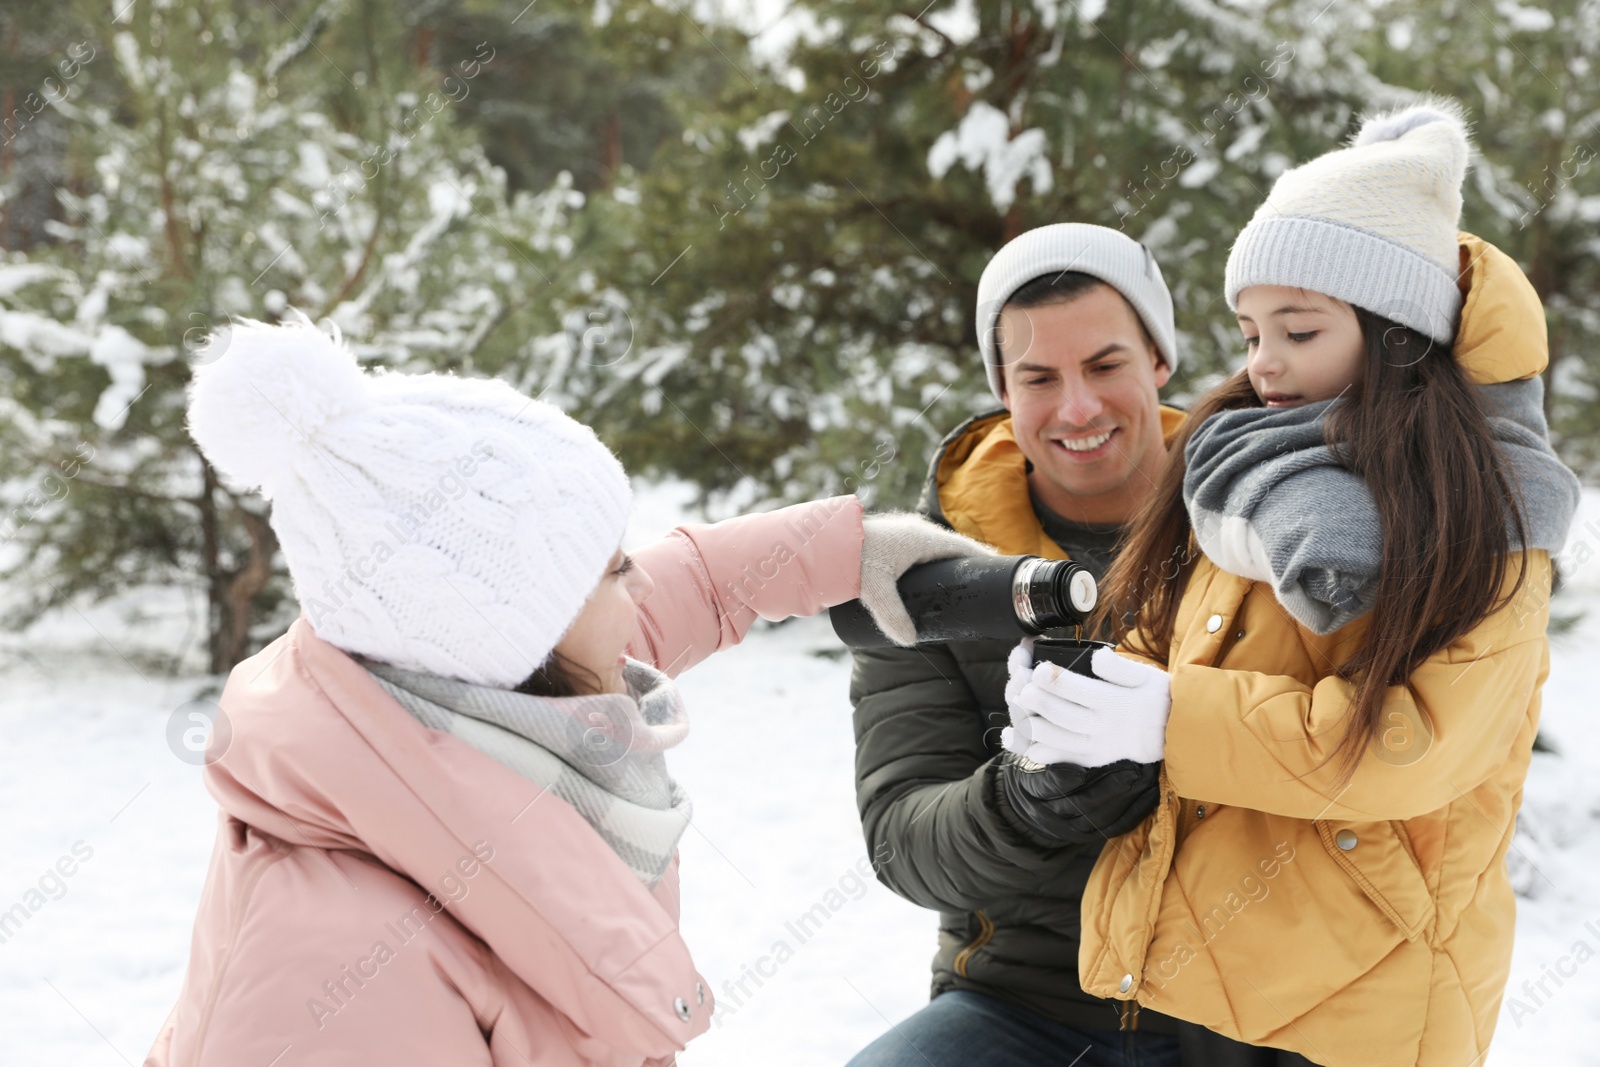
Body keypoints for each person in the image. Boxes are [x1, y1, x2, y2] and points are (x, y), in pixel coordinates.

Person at [142, 316, 987, 1066]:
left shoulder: (449, 708)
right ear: (515, 636)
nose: (644, 589)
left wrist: (848, 553)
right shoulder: (341, 964)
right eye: (616, 568)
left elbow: (692, 582)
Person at [1004, 102, 1582, 1065]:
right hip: (1214, 984)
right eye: (1248, 331)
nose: (1262, 363)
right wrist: (1088, 695)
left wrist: (1171, 719)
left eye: (1299, 330)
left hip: (1375, 1009)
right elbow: (1173, 640)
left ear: (1398, 333)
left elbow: (1415, 747)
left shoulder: (1489, 515)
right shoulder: (1243, 464)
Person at [846, 224, 1190, 1066]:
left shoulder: (1262, 526)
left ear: (1158, 360)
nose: (1078, 408)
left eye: (1106, 365)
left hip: (1250, 1010)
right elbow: (901, 837)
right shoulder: (928, 575)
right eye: (1039, 378)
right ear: (1003, 387)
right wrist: (1022, 804)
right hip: (1029, 1003)